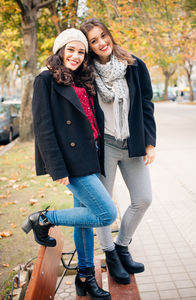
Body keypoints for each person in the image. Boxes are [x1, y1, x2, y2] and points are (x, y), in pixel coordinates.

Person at [21, 28, 117, 300]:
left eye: (81, 52)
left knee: (85, 223)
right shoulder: (45, 80)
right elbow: (43, 128)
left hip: (92, 154)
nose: (75, 56)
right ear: (60, 50)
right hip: (72, 162)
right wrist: (57, 168)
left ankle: (85, 277)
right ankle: (43, 218)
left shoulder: (82, 79)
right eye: (71, 50)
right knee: (106, 214)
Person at [80, 18, 156, 285]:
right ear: (88, 47)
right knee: (104, 207)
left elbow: (146, 103)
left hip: (132, 142)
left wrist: (150, 142)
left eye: (103, 36)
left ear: (109, 35)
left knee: (143, 199)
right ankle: (110, 254)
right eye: (94, 40)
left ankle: (122, 246)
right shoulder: (86, 73)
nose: (102, 43)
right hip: (105, 147)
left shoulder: (133, 65)